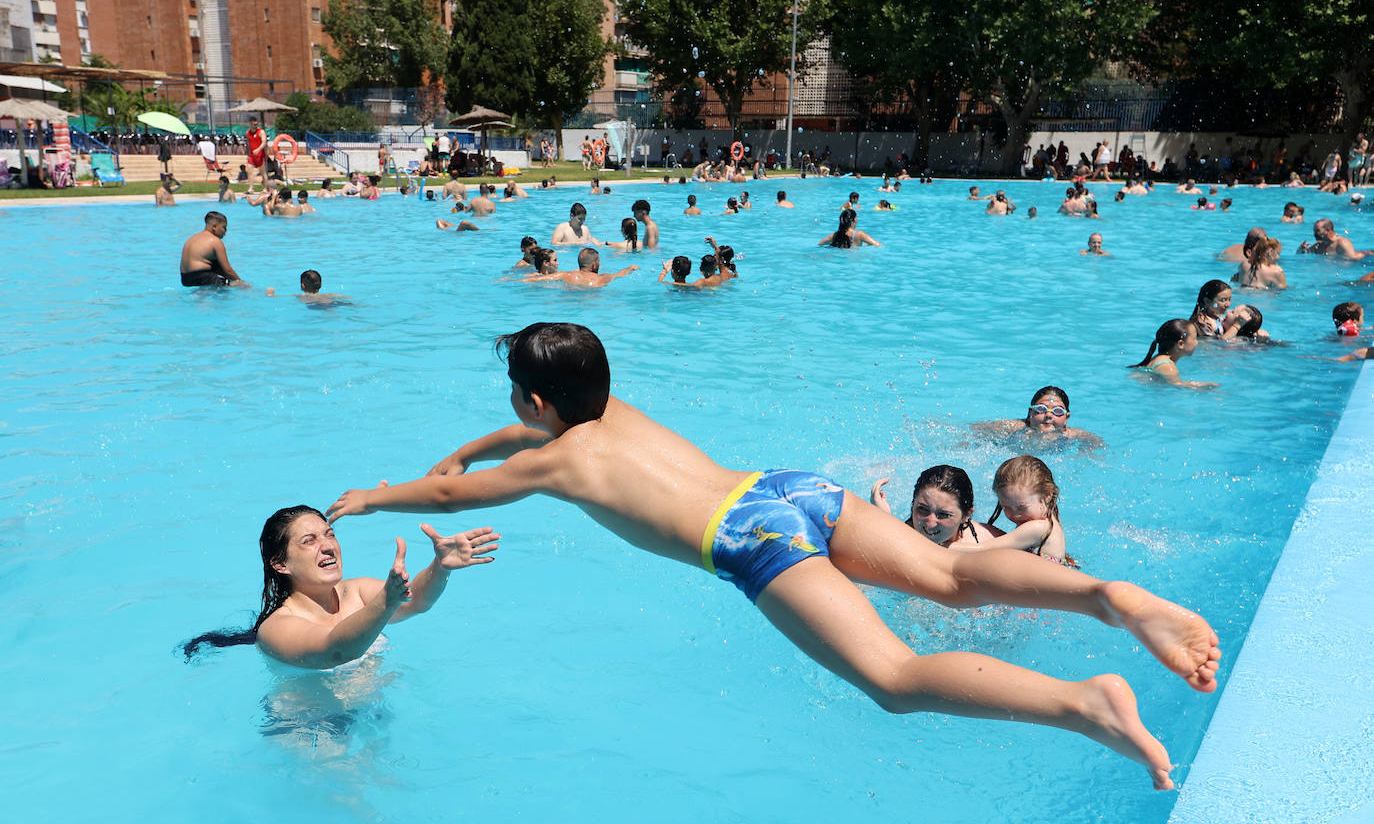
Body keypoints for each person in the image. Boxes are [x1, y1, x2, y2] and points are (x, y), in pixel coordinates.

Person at [327, 323, 1223, 790]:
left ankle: (1084, 705)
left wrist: (376, 496)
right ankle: (1108, 596)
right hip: (784, 487)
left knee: (895, 678)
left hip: (750, 541)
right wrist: (481, 447)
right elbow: (520, 430)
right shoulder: (608, 410)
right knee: (952, 578)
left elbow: (447, 499)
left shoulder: (556, 459)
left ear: (531, 400)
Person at [179, 506, 497, 668]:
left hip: (372, 715)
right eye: (310, 541)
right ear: (281, 564)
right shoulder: (277, 628)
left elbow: (416, 604)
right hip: (311, 730)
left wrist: (439, 567)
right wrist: (386, 601)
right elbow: (337, 651)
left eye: (330, 534)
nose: (328, 546)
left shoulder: (356, 592)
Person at [968, 456, 1076, 566]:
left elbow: (980, 549)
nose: (1015, 515)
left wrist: (949, 548)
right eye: (1006, 507)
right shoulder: (1048, 516)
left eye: (1022, 507)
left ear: (1047, 494)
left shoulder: (1038, 527)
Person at [870, 465, 1003, 548]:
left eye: (944, 515)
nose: (930, 523)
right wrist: (883, 521)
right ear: (913, 504)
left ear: (966, 515)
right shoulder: (894, 542)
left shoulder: (987, 541)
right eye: (922, 509)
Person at [971, 386, 1103, 446]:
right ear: (1030, 413)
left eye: (1057, 411)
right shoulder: (1016, 426)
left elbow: (1096, 442)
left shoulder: (1071, 434)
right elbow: (975, 429)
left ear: (1066, 418)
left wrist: (1084, 451)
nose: (1048, 415)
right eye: (1041, 409)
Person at [1131, 319, 1217, 388]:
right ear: (1180, 344)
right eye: (1194, 339)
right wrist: (1205, 386)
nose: (1197, 343)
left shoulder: (1159, 358)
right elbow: (1177, 385)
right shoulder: (1168, 367)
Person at [179, 211, 244, 287]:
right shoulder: (215, 241)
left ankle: (200, 294)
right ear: (214, 227)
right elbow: (228, 270)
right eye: (224, 227)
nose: (225, 232)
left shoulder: (192, 239)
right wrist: (241, 282)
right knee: (235, 285)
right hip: (203, 277)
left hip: (186, 279)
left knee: (217, 267)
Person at [522, 247, 637, 287]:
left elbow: (537, 279)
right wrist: (630, 268)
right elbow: (619, 274)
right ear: (594, 264)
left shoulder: (566, 275)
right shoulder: (603, 278)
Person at [1298, 218, 1368, 258]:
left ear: (1328, 229)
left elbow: (1351, 261)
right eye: (1314, 231)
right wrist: (1301, 249)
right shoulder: (1319, 245)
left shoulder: (1342, 243)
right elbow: (1300, 255)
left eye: (1317, 231)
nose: (1314, 234)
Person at [245, 116, 267, 191]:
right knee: (249, 170)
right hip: (252, 155)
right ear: (250, 123)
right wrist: (248, 154)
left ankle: (265, 187)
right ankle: (251, 188)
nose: (255, 125)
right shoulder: (248, 132)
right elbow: (248, 143)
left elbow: (264, 142)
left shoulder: (261, 132)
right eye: (254, 123)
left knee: (263, 172)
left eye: (256, 123)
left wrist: (258, 149)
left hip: (260, 155)